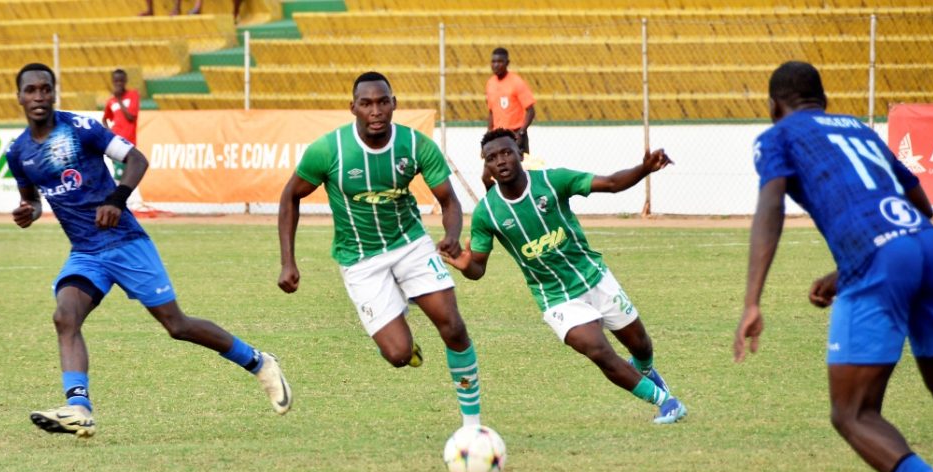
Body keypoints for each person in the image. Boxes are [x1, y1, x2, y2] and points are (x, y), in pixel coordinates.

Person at [6, 62, 292, 438]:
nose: (39, 96)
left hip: (126, 242)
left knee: (177, 325)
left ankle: (259, 362)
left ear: (54, 92)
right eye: (31, 90)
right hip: (86, 252)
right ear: (19, 96)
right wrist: (29, 212)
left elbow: (137, 159)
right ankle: (78, 408)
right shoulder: (18, 152)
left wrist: (117, 199)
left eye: (46, 88)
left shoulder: (81, 128)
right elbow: (33, 200)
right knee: (65, 317)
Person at [733, 61, 933, 472]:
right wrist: (846, 270)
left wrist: (753, 300)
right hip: (927, 245)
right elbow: (920, 202)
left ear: (773, 106)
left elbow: (771, 206)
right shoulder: (858, 128)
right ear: (822, 100)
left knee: (853, 413)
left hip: (878, 263)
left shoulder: (777, 136)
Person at [277, 71, 483, 429]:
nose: (376, 110)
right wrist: (288, 262)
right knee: (398, 354)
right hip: (360, 259)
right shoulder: (329, 150)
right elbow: (290, 196)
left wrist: (452, 234)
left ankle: (472, 425)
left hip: (411, 245)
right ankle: (397, 315)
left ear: (394, 104)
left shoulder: (416, 145)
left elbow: (449, 201)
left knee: (453, 327)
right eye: (367, 103)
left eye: (383, 102)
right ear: (353, 107)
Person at [444, 128, 687, 425]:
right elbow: (478, 269)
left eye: (506, 152)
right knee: (599, 351)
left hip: (595, 278)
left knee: (641, 346)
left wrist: (644, 169)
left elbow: (610, 183)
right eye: (491, 158)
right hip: (556, 298)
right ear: (487, 165)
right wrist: (464, 264)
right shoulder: (487, 213)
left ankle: (646, 371)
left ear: (521, 154)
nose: (501, 161)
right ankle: (666, 402)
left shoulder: (552, 181)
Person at [482, 48, 537, 191]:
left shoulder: (516, 82)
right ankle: (494, 201)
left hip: (515, 135)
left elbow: (530, 110)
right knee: (486, 177)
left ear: (507, 63)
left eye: (500, 61)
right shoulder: (490, 83)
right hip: (497, 137)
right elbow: (491, 112)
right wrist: (487, 137)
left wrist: (521, 132)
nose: (496, 65)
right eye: (493, 61)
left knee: (521, 177)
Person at [102, 69, 139, 182]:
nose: (119, 83)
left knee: (124, 173)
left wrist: (119, 99)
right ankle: (121, 192)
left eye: (121, 81)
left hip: (128, 141)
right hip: (115, 141)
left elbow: (131, 117)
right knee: (120, 173)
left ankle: (119, 191)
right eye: (116, 81)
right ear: (113, 82)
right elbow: (105, 119)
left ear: (125, 81)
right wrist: (109, 131)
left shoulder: (133, 95)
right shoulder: (111, 101)